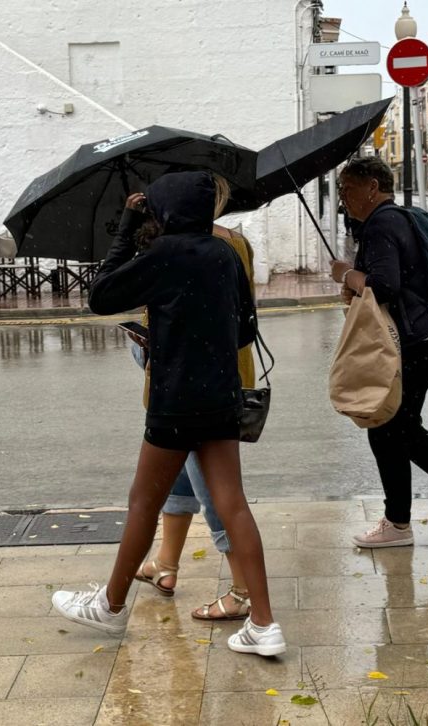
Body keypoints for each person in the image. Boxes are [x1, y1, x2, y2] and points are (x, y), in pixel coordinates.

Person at [51, 171, 285, 656]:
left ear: (167, 211)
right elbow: (244, 331)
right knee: (233, 504)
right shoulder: (225, 253)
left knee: (143, 503)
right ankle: (263, 624)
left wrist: (125, 229)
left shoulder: (162, 253)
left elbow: (100, 296)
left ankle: (111, 607)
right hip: (222, 396)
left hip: (175, 400)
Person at [330, 155, 428, 548]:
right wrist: (355, 284)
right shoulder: (399, 218)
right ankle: (404, 519)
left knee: (390, 427)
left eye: (348, 190)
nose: (344, 199)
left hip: (407, 345)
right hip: (421, 338)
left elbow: (384, 286)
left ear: (371, 187)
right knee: (392, 427)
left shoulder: (382, 224)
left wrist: (346, 274)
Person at [132, 174, 255, 622]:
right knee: (183, 482)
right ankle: (165, 564)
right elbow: (242, 318)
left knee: (219, 494)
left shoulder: (176, 247)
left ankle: (243, 590)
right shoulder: (233, 244)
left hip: (188, 389)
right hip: (223, 376)